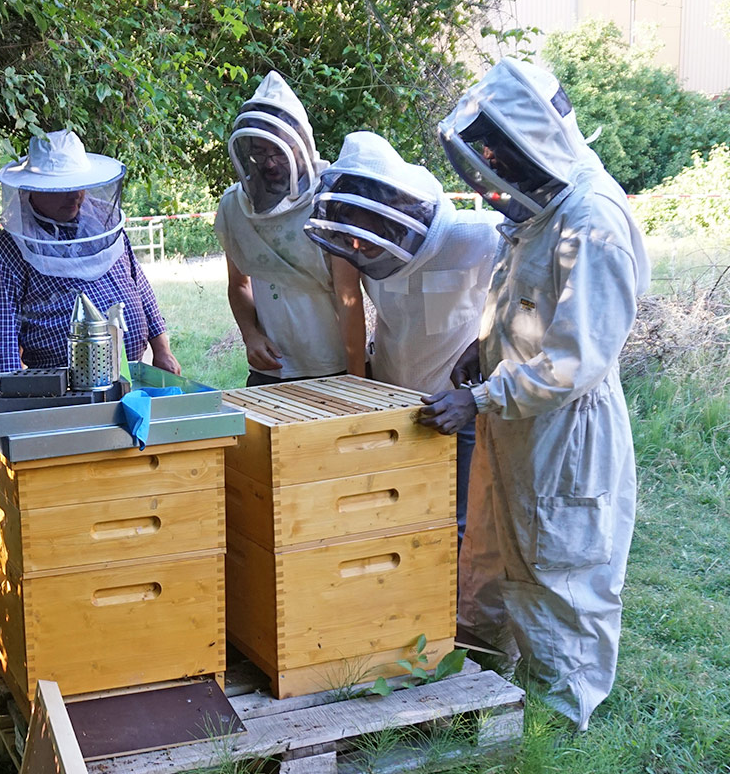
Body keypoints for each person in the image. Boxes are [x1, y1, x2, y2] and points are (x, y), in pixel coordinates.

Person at [419, 59, 650, 731]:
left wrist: (483, 398)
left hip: (565, 434)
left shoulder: (593, 218)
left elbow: (575, 358)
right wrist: (481, 349)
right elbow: (523, 305)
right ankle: (478, 692)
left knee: (560, 572)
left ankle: (556, 724)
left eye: (498, 155)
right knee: (490, 557)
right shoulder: (541, 212)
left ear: (532, 141)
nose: (494, 169)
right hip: (512, 421)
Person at [304, 131, 501, 549]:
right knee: (395, 521)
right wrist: (358, 386)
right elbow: (351, 305)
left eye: (363, 230)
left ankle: (454, 613)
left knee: (457, 524)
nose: (355, 244)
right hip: (391, 400)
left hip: (457, 406)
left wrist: (484, 375)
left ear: (392, 208)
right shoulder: (353, 246)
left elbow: (521, 289)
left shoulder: (472, 236)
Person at [0, 129, 180, 375]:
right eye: (64, 187)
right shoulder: (8, 250)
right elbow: (1, 338)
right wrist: (14, 402)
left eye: (79, 185)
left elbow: (138, 284)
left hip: (130, 372)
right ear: (33, 189)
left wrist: (161, 349)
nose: (76, 194)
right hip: (59, 387)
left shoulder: (103, 222)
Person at [215, 71, 363, 386]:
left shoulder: (330, 203)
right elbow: (238, 284)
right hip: (271, 370)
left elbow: (349, 297)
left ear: (299, 146)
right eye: (259, 151)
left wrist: (357, 381)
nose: (268, 164)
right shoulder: (234, 207)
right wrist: (250, 335)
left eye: (277, 152)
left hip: (333, 367)